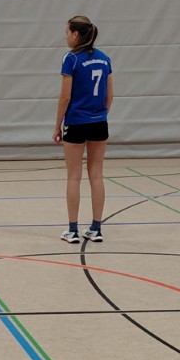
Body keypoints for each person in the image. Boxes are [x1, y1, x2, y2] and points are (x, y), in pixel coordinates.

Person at [53, 16, 113, 244]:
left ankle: (72, 230)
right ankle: (96, 228)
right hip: (99, 122)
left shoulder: (71, 59)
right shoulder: (104, 59)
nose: (65, 37)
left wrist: (57, 125)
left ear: (76, 34)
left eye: (67, 32)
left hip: (76, 122)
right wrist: (101, 115)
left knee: (73, 176)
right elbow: (109, 95)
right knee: (96, 174)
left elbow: (65, 97)